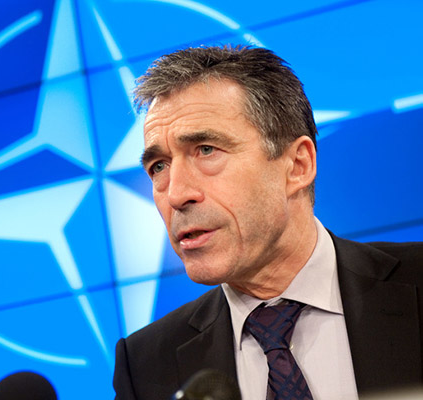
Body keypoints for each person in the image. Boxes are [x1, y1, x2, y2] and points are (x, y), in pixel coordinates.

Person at [113, 45, 423, 400]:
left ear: (298, 166)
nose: (176, 194)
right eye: (158, 167)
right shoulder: (144, 366)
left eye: (206, 150)